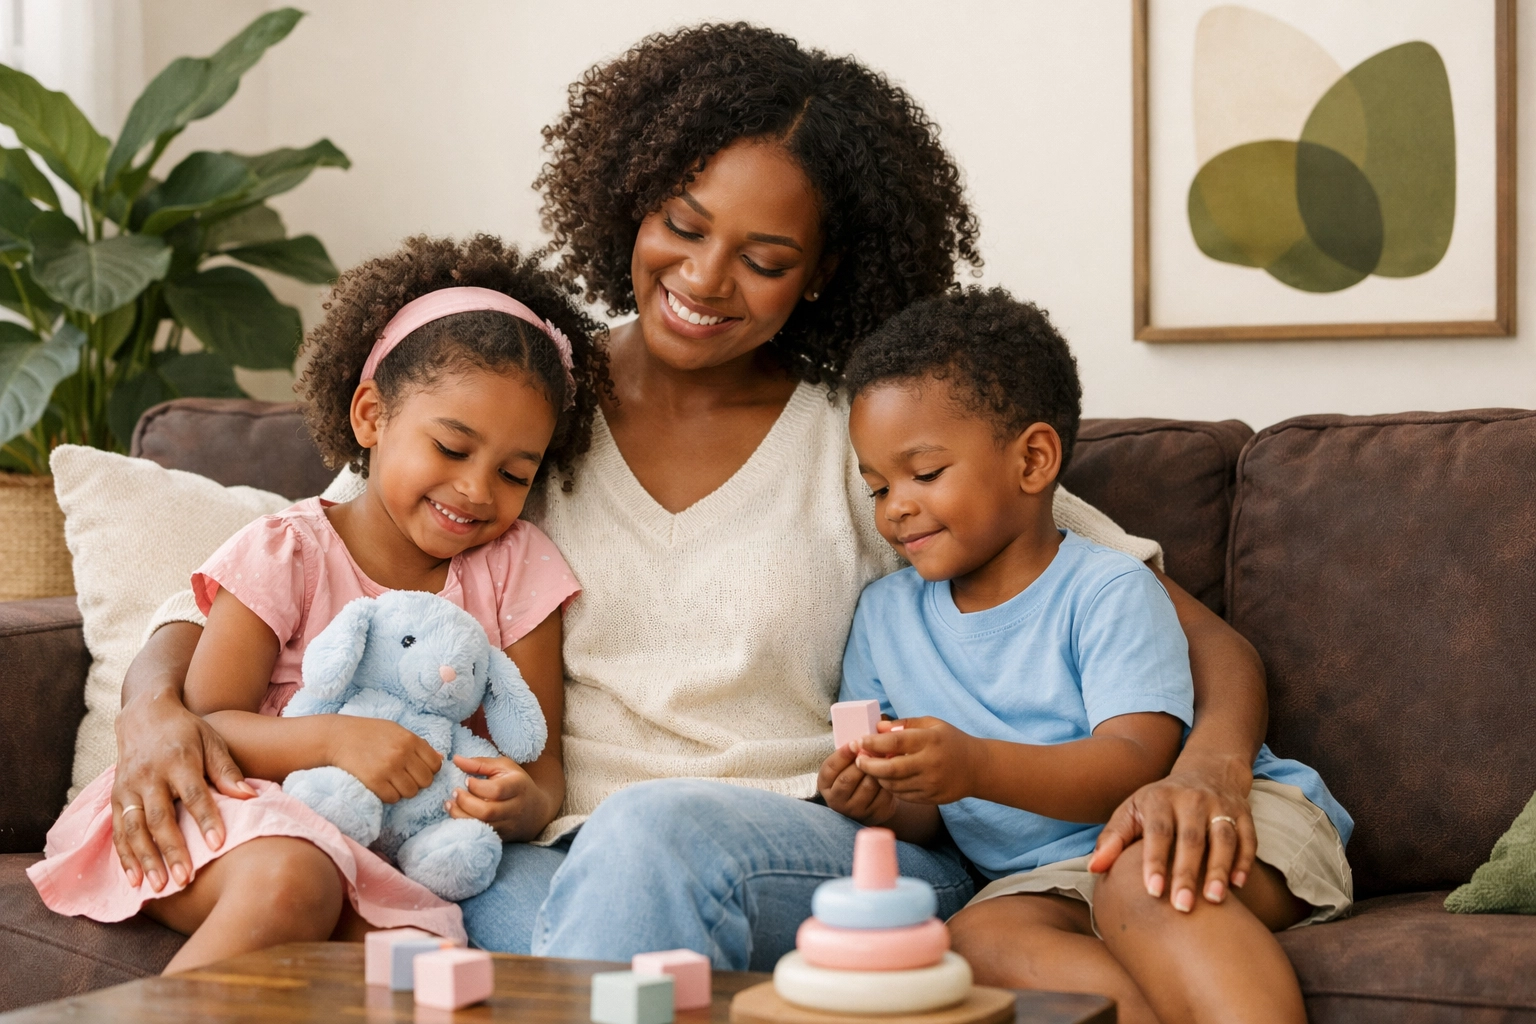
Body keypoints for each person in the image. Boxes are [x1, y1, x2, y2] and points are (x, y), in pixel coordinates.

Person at [109, 24, 1274, 968]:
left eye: (765, 260)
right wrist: (154, 710)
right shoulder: (519, 408)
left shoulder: (873, 439)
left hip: (824, 849)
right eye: (681, 226)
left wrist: (1209, 767)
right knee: (428, 911)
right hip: (539, 857)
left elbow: (1187, 635)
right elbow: (288, 558)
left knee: (646, 841)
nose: (705, 281)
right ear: (630, 202)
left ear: (821, 274)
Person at [30, 236, 603, 972]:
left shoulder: (519, 567)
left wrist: (522, 804)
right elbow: (208, 724)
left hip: (393, 843)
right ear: (371, 416)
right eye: (452, 449)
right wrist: (335, 741)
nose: (476, 490)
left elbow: (542, 763)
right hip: (231, 812)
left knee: (418, 965)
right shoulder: (286, 551)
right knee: (298, 880)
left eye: (515, 472)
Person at [824, 288, 1352, 1024]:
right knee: (974, 941)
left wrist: (973, 765)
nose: (895, 507)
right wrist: (886, 798)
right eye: (877, 486)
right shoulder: (883, 620)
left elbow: (1135, 760)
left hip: (1212, 818)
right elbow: (923, 817)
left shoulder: (1106, 588)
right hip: (1050, 875)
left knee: (1143, 878)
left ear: (1034, 460)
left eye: (925, 474)